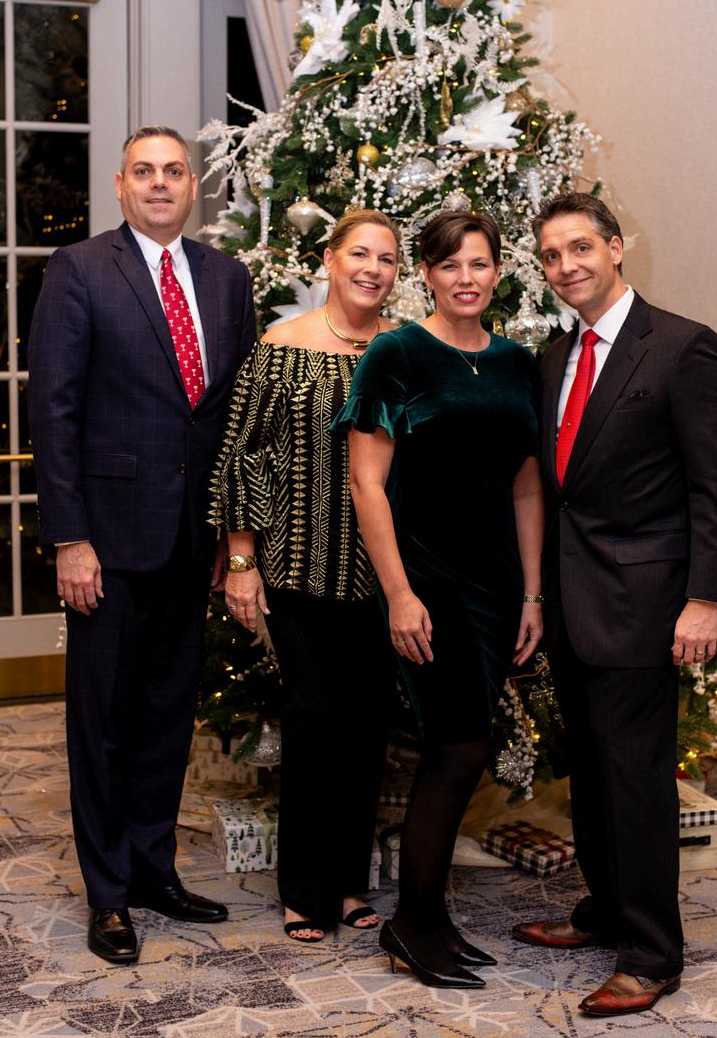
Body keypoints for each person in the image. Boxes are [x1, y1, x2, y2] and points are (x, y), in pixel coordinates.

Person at [513, 192, 717, 1016]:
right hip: (572, 605)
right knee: (591, 776)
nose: (566, 266)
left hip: (648, 606)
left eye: (581, 247)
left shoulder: (682, 347)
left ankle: (651, 954)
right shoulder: (554, 356)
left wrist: (705, 600)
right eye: (551, 255)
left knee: (638, 783)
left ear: (616, 247)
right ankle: (605, 911)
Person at [28, 126, 256, 965]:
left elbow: (234, 418)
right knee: (104, 723)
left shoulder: (226, 279)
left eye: (174, 171)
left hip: (191, 539)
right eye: (144, 172)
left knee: (167, 715)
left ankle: (155, 870)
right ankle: (108, 893)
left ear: (193, 186)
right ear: (121, 185)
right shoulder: (80, 270)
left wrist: (233, 538)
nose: (161, 184)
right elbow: (53, 410)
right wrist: (70, 537)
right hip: (108, 541)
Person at [333, 210, 544, 989]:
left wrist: (533, 593)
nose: (466, 278)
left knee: (465, 744)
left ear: (498, 272)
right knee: (455, 744)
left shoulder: (518, 363)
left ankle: (428, 915)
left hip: (496, 584)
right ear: (426, 273)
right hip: (426, 580)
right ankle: (414, 922)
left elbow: (527, 487)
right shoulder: (396, 353)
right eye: (450, 264)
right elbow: (367, 484)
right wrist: (398, 593)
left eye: (479, 264)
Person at [209, 209, 399, 944]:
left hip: (384, 578)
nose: (372, 269)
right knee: (316, 721)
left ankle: (348, 882)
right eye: (359, 254)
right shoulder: (282, 347)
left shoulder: (404, 350)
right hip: (297, 569)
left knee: (366, 728)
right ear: (329, 259)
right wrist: (241, 561)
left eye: (386, 258)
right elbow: (242, 456)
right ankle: (303, 889)